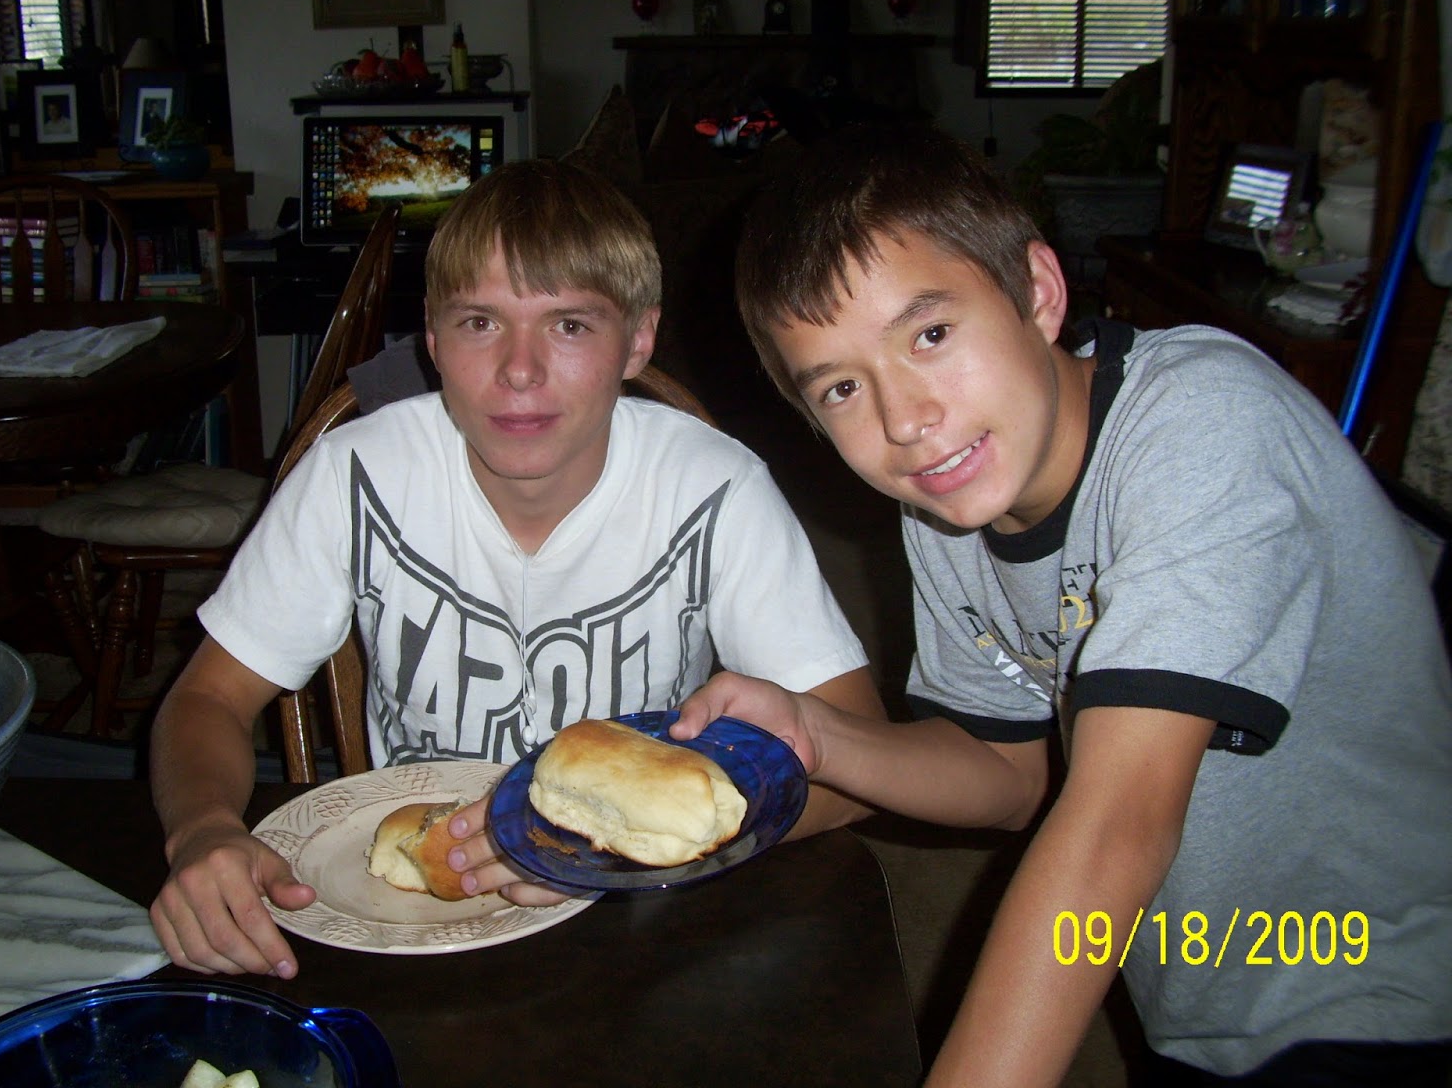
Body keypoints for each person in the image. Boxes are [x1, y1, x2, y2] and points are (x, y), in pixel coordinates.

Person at [671, 123, 1452, 1085]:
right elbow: (1008, 774)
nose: (905, 420)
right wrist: (818, 735)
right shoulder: (951, 505)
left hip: (1389, 994)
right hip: (1192, 994)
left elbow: (1116, 824)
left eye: (930, 335)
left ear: (1039, 291)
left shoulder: (1205, 424)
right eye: (840, 388)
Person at [149, 158, 883, 979]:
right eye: (479, 322)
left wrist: (624, 855)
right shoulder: (352, 476)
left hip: (640, 918)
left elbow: (858, 765)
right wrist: (202, 829)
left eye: (569, 325)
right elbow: (208, 698)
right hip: (420, 912)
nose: (520, 369)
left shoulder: (715, 488)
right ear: (432, 339)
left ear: (639, 339)